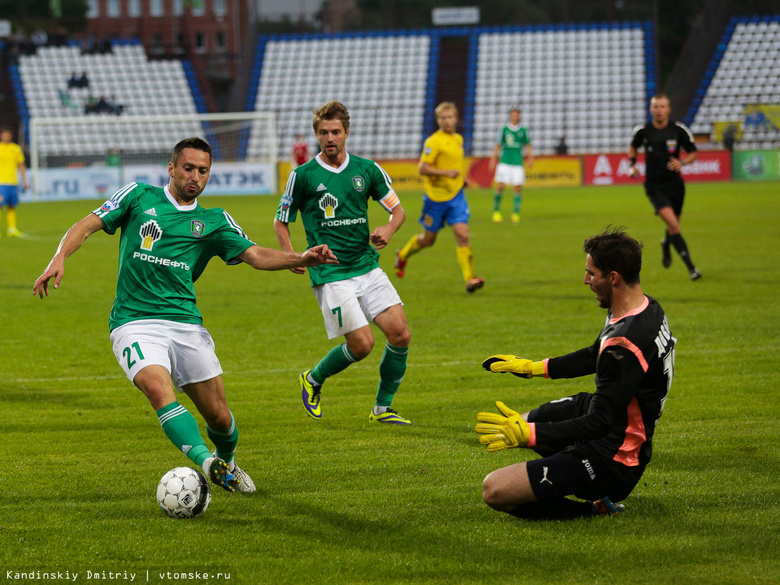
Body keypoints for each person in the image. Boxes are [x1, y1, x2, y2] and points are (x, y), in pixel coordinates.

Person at [33, 137, 337, 493]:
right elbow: (85, 225)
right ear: (172, 168)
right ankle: (208, 463)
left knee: (219, 417)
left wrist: (301, 257)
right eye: (189, 168)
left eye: (203, 171)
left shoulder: (214, 221)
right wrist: (59, 257)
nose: (195, 177)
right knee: (156, 389)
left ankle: (228, 461)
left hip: (185, 324)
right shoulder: (138, 196)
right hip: (134, 322)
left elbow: (255, 255)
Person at [476, 227, 675, 519]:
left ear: (613, 277)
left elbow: (600, 422)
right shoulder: (645, 307)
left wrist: (533, 435)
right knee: (523, 421)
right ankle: (565, 466)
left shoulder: (624, 346)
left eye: (592, 274)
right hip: (613, 418)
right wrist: (535, 368)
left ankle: (594, 507)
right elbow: (597, 353)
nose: (586, 281)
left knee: (494, 490)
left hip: (615, 456)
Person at [274, 100, 413, 425]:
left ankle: (382, 409)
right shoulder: (303, 176)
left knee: (400, 335)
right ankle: (312, 379)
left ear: (347, 132)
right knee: (362, 345)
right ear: (317, 136)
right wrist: (292, 255)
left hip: (366, 266)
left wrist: (388, 230)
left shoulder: (367, 170)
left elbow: (398, 210)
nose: (330, 137)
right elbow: (281, 221)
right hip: (330, 271)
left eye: (335, 131)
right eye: (323, 132)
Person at [394, 102, 484, 293]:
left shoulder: (458, 139)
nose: (447, 121)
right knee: (428, 240)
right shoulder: (433, 141)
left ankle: (470, 279)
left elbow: (454, 167)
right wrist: (446, 173)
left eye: (450, 117)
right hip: (435, 199)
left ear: (456, 118)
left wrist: (461, 180)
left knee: (463, 235)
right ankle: (403, 254)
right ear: (438, 120)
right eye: (443, 118)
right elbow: (422, 168)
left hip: (456, 196)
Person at [628, 94, 701, 280]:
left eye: (662, 106)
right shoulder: (643, 131)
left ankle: (666, 243)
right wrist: (632, 164)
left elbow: (693, 153)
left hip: (676, 186)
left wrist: (682, 162)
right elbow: (633, 146)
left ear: (668, 109)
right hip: (654, 187)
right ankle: (692, 269)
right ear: (651, 109)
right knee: (674, 226)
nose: (659, 110)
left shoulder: (678, 129)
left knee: (673, 225)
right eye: (655, 107)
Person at [488, 108, 533, 223]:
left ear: (519, 117)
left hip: (517, 162)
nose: (515, 117)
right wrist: (493, 159)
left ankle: (515, 213)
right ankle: (496, 212)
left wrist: (530, 159)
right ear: (510, 116)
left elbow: (527, 145)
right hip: (505, 162)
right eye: (513, 115)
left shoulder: (522, 130)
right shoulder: (504, 129)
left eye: (516, 115)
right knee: (500, 186)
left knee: (518, 188)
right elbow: (498, 145)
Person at [0, 127, 29, 237]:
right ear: (1, 136)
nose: (6, 137)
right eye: (4, 135)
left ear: (10, 136)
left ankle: (11, 229)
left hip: (13, 182)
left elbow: (21, 165)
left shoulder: (16, 148)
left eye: (8, 135)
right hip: (1, 183)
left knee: (12, 206)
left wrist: (25, 180)